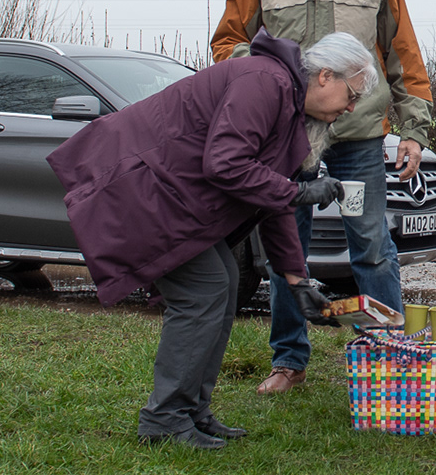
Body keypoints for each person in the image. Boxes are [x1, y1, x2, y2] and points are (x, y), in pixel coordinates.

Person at [48, 31, 380, 449]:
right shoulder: (265, 81)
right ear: (326, 76)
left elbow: (271, 203)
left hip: (175, 198)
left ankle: (190, 410)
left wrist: (297, 280)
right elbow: (226, 164)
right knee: (203, 290)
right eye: (351, 96)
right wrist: (296, 192)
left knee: (221, 285)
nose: (350, 109)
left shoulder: (289, 108)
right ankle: (165, 419)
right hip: (144, 189)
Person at [210, 0, 435, 396]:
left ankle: (390, 355)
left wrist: (413, 131)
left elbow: (404, 56)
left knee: (372, 246)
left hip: (357, 138)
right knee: (287, 248)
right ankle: (289, 361)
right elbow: (227, 42)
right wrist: (271, 79)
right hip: (285, 139)